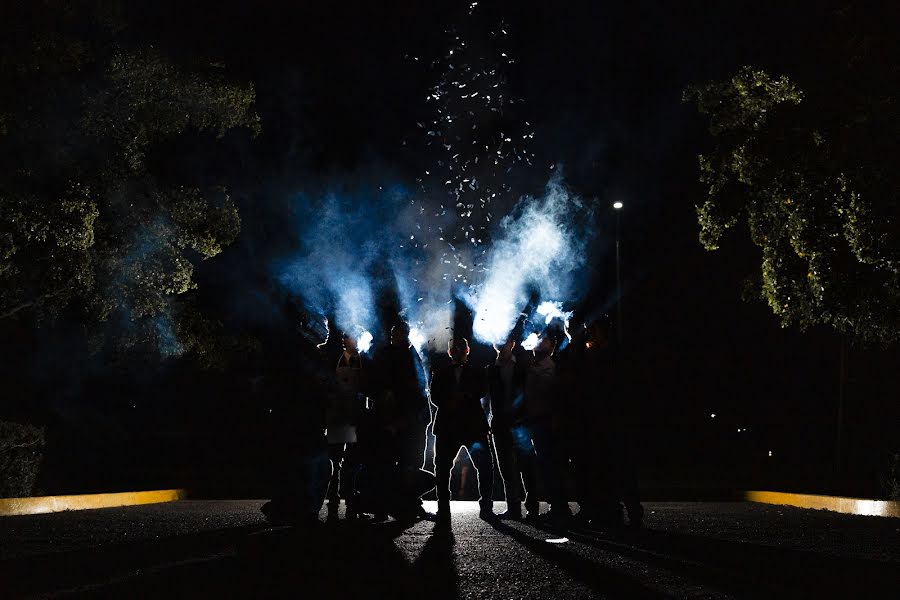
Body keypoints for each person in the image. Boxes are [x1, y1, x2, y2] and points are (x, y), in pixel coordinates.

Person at [371, 322, 432, 521]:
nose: (400, 337)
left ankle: (409, 504)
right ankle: (388, 506)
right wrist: (389, 419)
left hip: (409, 419)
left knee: (409, 464)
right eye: (397, 333)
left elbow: (420, 388)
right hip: (393, 419)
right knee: (388, 464)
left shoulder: (408, 354)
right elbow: (382, 389)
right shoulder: (389, 356)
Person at [430, 338, 494, 524]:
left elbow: (482, 390)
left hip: (467, 425)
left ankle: (485, 507)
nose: (457, 351)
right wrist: (458, 398)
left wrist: (460, 397)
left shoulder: (475, 371)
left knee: (483, 466)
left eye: (460, 348)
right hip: (458, 425)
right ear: (451, 352)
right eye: (454, 348)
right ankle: (444, 507)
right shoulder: (442, 372)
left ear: (467, 350)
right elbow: (435, 396)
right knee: (442, 468)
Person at [486, 337, 538, 520]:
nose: (501, 343)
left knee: (527, 466)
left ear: (512, 344)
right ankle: (515, 507)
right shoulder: (491, 370)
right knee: (507, 468)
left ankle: (531, 508)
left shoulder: (522, 367)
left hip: (520, 422)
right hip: (501, 424)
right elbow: (486, 398)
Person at [524, 333, 570, 526]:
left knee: (553, 465)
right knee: (546, 466)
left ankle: (560, 507)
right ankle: (557, 506)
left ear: (552, 347)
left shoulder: (552, 367)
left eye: (544, 341)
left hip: (549, 421)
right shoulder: (531, 366)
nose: (539, 343)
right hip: (537, 421)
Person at [325, 332, 368, 521]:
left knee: (354, 460)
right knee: (335, 459)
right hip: (339, 414)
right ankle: (333, 500)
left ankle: (352, 501)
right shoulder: (334, 359)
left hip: (356, 416)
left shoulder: (365, 361)